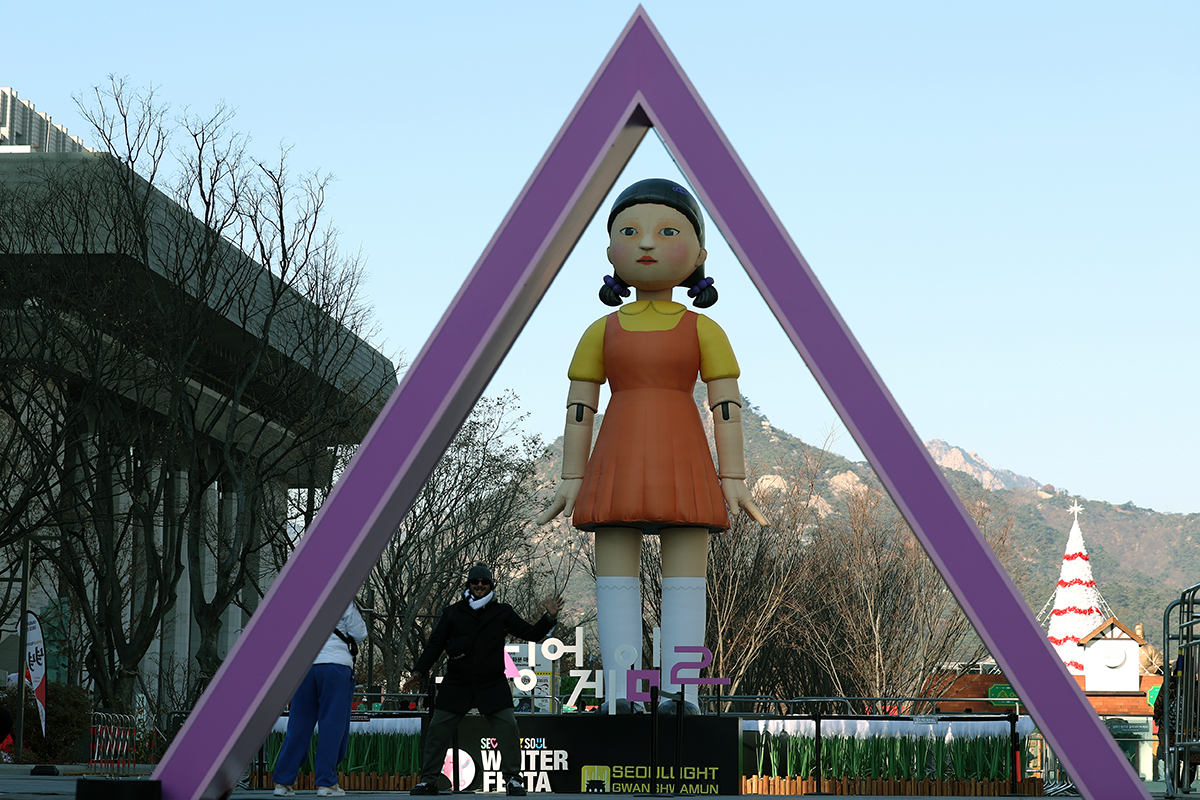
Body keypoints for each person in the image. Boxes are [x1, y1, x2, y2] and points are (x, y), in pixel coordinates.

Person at [535, 178, 767, 711]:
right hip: (617, 453)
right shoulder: (601, 330)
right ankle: (622, 693)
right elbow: (579, 408)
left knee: (687, 569)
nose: (645, 243)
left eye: (666, 231)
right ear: (611, 250)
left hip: (681, 454)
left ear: (699, 254)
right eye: (629, 231)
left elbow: (726, 407)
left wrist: (733, 477)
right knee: (615, 570)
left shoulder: (704, 330)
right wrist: (572, 478)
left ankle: (680, 691)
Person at [403, 565, 562, 796]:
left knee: (509, 727)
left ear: (491, 585)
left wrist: (549, 617)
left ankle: (513, 780)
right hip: (457, 683)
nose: (479, 585)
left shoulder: (502, 612)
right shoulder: (452, 612)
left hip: (492, 683)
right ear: (468, 584)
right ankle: (428, 781)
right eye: (475, 581)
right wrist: (418, 672)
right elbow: (435, 645)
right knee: (437, 730)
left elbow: (531, 634)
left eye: (484, 582)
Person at [273, 601, 367, 797]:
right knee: (332, 725)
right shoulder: (344, 600)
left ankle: (282, 782)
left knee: (298, 724)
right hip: (336, 666)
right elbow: (360, 634)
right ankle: (326, 783)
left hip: (304, 666)